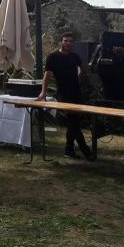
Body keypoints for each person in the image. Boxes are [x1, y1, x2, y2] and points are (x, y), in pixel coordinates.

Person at [37, 32, 94, 160]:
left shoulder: (75, 56)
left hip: (76, 92)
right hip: (63, 94)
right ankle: (86, 151)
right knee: (73, 121)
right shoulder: (53, 56)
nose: (68, 43)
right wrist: (43, 91)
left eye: (70, 41)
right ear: (61, 42)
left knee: (74, 122)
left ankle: (69, 150)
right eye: (66, 41)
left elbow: (82, 69)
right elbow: (47, 75)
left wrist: (78, 76)